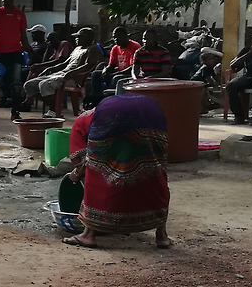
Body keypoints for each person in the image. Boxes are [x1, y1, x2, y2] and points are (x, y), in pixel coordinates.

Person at [62, 95, 172, 249]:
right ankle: (162, 236)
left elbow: (82, 160)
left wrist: (75, 174)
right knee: (154, 170)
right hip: (152, 113)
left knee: (96, 171)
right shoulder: (97, 113)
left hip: (111, 116)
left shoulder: (81, 122)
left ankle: (88, 235)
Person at [22, 27, 104, 116]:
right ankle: (56, 104)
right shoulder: (77, 49)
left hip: (73, 78)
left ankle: (53, 110)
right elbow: (65, 63)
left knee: (44, 84)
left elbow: (88, 65)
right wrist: (50, 69)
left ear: (87, 38)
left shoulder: (92, 48)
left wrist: (72, 72)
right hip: (62, 74)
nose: (76, 39)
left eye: (79, 37)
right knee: (29, 85)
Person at [0, 0, 28, 118]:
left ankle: (15, 112)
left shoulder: (20, 15)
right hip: (0, 54)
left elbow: (24, 36)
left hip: (15, 54)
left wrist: (28, 50)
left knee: (16, 83)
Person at [82, 26, 140, 107]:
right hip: (118, 72)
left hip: (129, 74)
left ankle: (109, 101)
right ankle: (96, 100)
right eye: (114, 37)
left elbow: (132, 68)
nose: (116, 39)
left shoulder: (135, 47)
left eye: (118, 37)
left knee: (115, 78)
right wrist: (106, 70)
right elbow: (111, 65)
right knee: (96, 74)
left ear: (125, 36)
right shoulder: (115, 48)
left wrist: (115, 73)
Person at [226, 36, 252, 125]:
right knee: (231, 85)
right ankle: (239, 116)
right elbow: (233, 65)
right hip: (248, 76)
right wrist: (249, 53)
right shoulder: (247, 49)